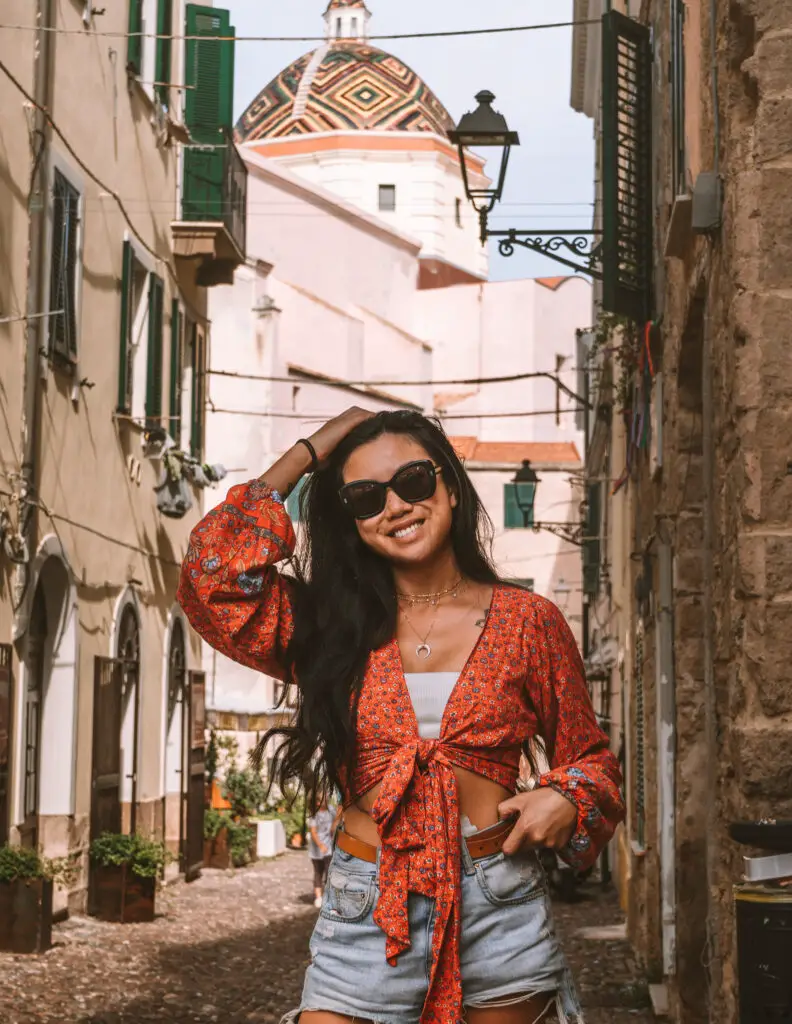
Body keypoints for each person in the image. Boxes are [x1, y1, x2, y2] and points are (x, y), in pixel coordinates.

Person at [178, 408, 625, 1024]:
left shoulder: (529, 621)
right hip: (367, 901)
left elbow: (592, 761)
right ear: (349, 519)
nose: (395, 506)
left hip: (497, 899)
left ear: (448, 485)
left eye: (413, 481)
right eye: (365, 497)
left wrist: (567, 798)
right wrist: (315, 448)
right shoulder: (329, 628)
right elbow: (211, 576)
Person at [308, 795, 336, 908]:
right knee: (318, 873)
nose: (323, 800)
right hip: (316, 850)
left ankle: (328, 896)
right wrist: (320, 845)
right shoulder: (314, 815)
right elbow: (313, 832)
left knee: (329, 873)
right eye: (320, 799)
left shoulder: (331, 810)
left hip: (328, 849)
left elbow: (337, 819)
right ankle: (318, 897)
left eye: (324, 798)